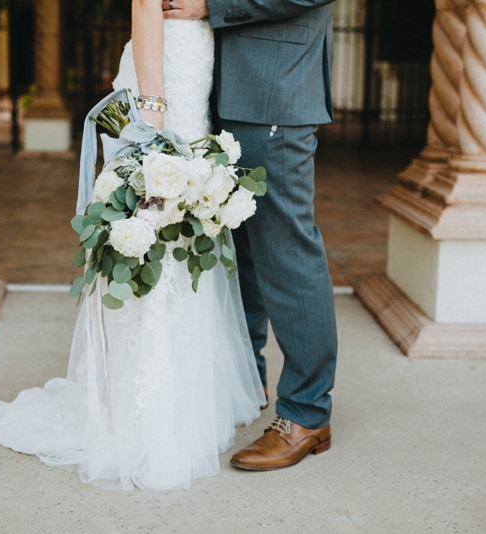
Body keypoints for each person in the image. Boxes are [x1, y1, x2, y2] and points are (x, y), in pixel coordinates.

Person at [0, 0, 265, 491]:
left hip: (192, 66)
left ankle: (179, 397)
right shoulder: (157, 89)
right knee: (156, 211)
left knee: (187, 220)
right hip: (164, 75)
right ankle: (141, 410)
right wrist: (152, 110)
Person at [164, 0, 338, 470]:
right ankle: (248, 379)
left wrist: (211, 5)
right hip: (218, 88)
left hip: (275, 89)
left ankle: (306, 414)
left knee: (287, 252)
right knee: (239, 250)